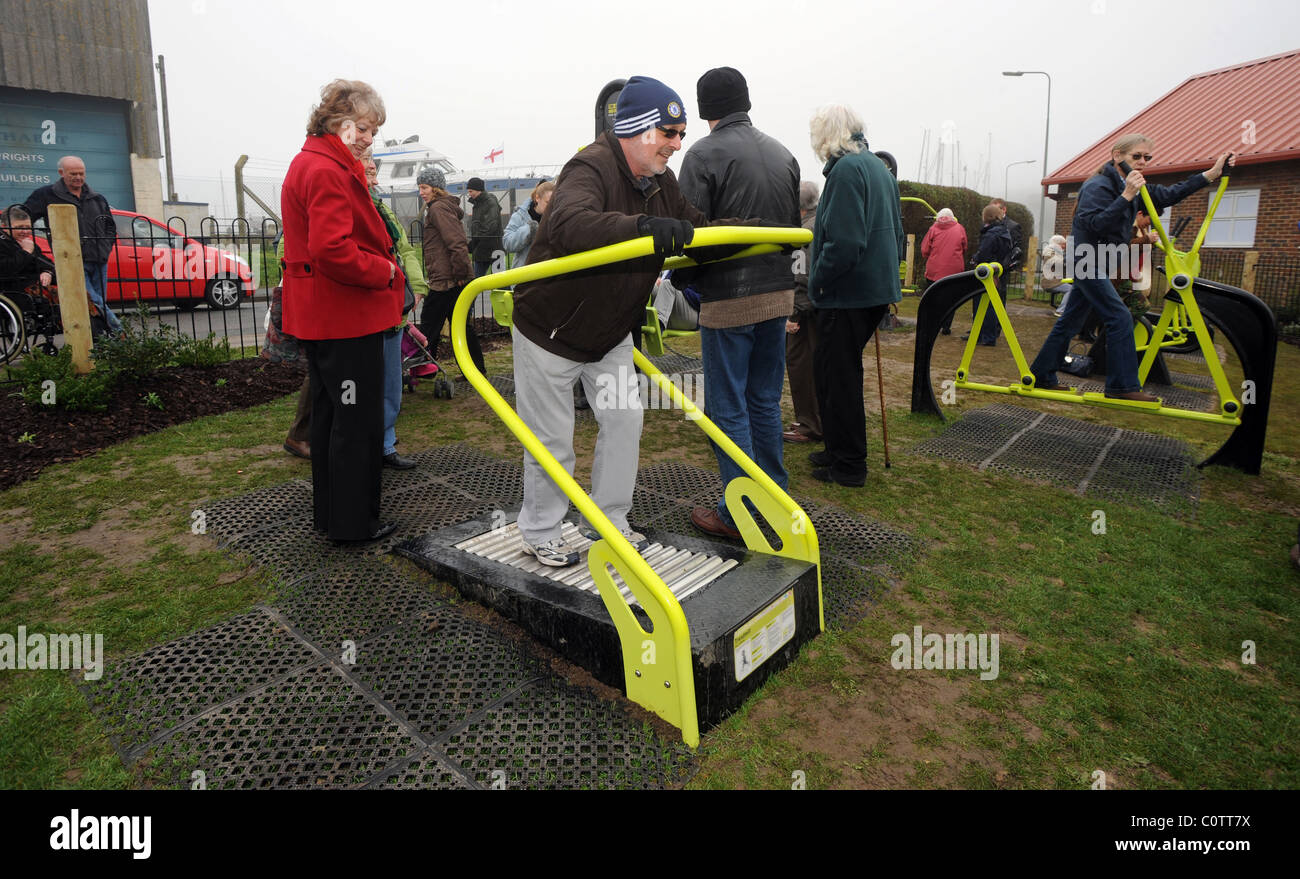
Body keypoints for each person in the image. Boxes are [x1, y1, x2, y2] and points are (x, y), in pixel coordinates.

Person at [510, 74, 710, 566]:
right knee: (552, 438)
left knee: (625, 421)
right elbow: (568, 222)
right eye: (668, 133)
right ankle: (540, 529)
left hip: (610, 334)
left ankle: (610, 519)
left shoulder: (662, 181)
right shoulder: (590, 166)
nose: (676, 145)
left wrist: (760, 236)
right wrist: (641, 227)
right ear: (639, 129)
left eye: (680, 133)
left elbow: (699, 227)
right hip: (550, 332)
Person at [676, 67, 800, 540]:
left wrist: (682, 279)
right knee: (765, 400)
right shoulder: (783, 152)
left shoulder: (703, 153)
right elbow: (790, 228)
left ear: (705, 109)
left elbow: (691, 232)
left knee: (727, 406)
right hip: (778, 290)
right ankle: (772, 496)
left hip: (730, 296)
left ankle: (739, 512)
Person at [280, 78, 404, 543]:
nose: (370, 138)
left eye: (374, 130)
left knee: (334, 418)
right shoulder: (327, 169)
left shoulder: (313, 161)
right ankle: (353, 525)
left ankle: (333, 517)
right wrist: (385, 271)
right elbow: (332, 249)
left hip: (327, 316)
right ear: (339, 122)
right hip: (346, 317)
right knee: (356, 424)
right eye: (365, 128)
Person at [1028, 134, 1231, 401]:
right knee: (1120, 317)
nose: (1143, 162)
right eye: (1137, 156)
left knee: (1070, 321)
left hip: (1102, 263)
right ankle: (1122, 387)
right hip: (1087, 261)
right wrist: (1126, 195)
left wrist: (1211, 174)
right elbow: (1095, 224)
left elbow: (1170, 194)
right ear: (1117, 155)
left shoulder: (1134, 186)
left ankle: (1042, 375)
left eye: (1147, 157)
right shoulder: (1099, 186)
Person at [805, 104, 903, 487]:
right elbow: (894, 234)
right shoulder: (878, 167)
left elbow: (845, 243)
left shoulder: (846, 170)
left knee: (838, 377)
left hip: (847, 292)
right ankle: (838, 449)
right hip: (871, 289)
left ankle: (848, 464)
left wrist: (818, 281)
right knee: (834, 373)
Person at [364, 153, 429, 469]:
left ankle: (385, 444)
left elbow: (404, 249)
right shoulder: (346, 204)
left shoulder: (382, 209)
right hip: (362, 315)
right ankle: (364, 446)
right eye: (369, 172)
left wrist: (417, 285)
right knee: (360, 388)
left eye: (375, 172)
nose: (375, 180)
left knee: (391, 383)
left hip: (391, 312)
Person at [23, 155, 122, 334]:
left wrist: (106, 247)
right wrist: (24, 236)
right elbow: (24, 216)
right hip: (72, 260)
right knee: (92, 301)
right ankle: (120, 332)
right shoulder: (46, 195)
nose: (78, 177)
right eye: (73, 174)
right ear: (61, 173)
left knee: (96, 305)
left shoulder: (97, 198)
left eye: (81, 173)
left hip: (99, 259)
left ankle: (99, 343)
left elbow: (109, 226)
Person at [417, 166, 486, 377]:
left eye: (424, 187)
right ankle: (474, 369)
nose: (421, 192)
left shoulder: (438, 209)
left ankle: (425, 369)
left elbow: (456, 242)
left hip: (446, 280)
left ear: (436, 188)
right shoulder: (440, 207)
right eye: (420, 187)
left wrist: (462, 275)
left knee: (429, 326)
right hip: (449, 278)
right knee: (459, 326)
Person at [783, 180, 822, 444]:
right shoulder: (822, 223)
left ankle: (809, 425)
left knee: (801, 366)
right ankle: (814, 420)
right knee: (816, 367)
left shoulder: (803, 233)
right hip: (822, 306)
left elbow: (801, 277)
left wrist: (793, 313)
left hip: (806, 311)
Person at [964, 204, 1015, 347]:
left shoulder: (991, 234)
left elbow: (984, 253)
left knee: (983, 305)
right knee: (991, 305)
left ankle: (985, 337)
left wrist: (975, 259)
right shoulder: (1004, 231)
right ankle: (985, 335)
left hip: (987, 273)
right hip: (997, 272)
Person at [921, 207, 967, 335]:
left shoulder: (933, 229)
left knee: (932, 297)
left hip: (934, 271)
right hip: (954, 271)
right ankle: (946, 326)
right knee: (951, 299)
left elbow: (925, 250)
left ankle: (931, 323)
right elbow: (964, 247)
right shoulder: (960, 228)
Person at [502, 180, 555, 267]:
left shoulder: (557, 217)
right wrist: (528, 230)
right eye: (548, 203)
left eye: (554, 203)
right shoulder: (520, 216)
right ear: (537, 198)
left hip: (550, 272)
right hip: (525, 273)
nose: (551, 207)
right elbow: (507, 243)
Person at [466, 177, 503, 278]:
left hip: (492, 248)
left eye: (471, 191)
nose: (469, 194)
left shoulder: (489, 202)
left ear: (479, 190)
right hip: (484, 248)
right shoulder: (480, 203)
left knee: (499, 281)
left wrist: (474, 242)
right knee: (498, 280)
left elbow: (490, 226)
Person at [1042, 234, 1073, 316]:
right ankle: (1060, 311)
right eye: (1063, 244)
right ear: (1057, 244)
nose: (1064, 246)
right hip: (1050, 282)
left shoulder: (1056, 252)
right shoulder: (1049, 252)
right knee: (1071, 289)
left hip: (1056, 281)